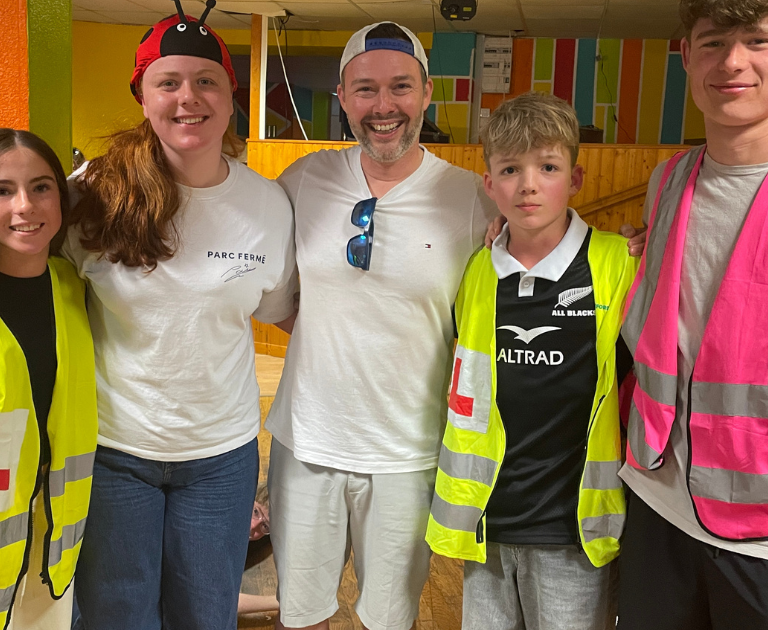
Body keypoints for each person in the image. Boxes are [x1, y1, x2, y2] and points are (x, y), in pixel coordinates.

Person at [64, 2, 297, 629]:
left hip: (220, 456)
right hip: (114, 449)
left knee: (204, 614)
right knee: (117, 615)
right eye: (168, 82)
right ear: (142, 95)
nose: (187, 97)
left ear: (230, 95)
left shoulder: (268, 204)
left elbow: (286, 311)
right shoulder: (91, 194)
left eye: (206, 81)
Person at [265, 21, 499, 630]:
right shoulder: (303, 183)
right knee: (303, 614)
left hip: (410, 452)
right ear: (342, 97)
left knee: (390, 619)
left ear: (426, 94)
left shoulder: (473, 197)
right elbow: (282, 298)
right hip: (307, 442)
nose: (383, 106)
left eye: (400, 87)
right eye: (365, 89)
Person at [424, 92, 638, 630]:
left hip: (573, 531)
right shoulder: (476, 270)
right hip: (488, 524)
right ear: (488, 181)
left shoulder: (621, 264)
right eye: (511, 169)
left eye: (548, 167)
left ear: (576, 178)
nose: (528, 185)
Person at [616, 0, 768, 628]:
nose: (733, 62)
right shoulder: (668, 179)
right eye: (713, 42)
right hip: (656, 498)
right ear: (685, 55)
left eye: (758, 40)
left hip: (757, 531)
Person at [0, 128, 98, 630]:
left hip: (51, 538)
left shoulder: (74, 288)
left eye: (41, 187)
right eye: (3, 190)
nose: (24, 207)